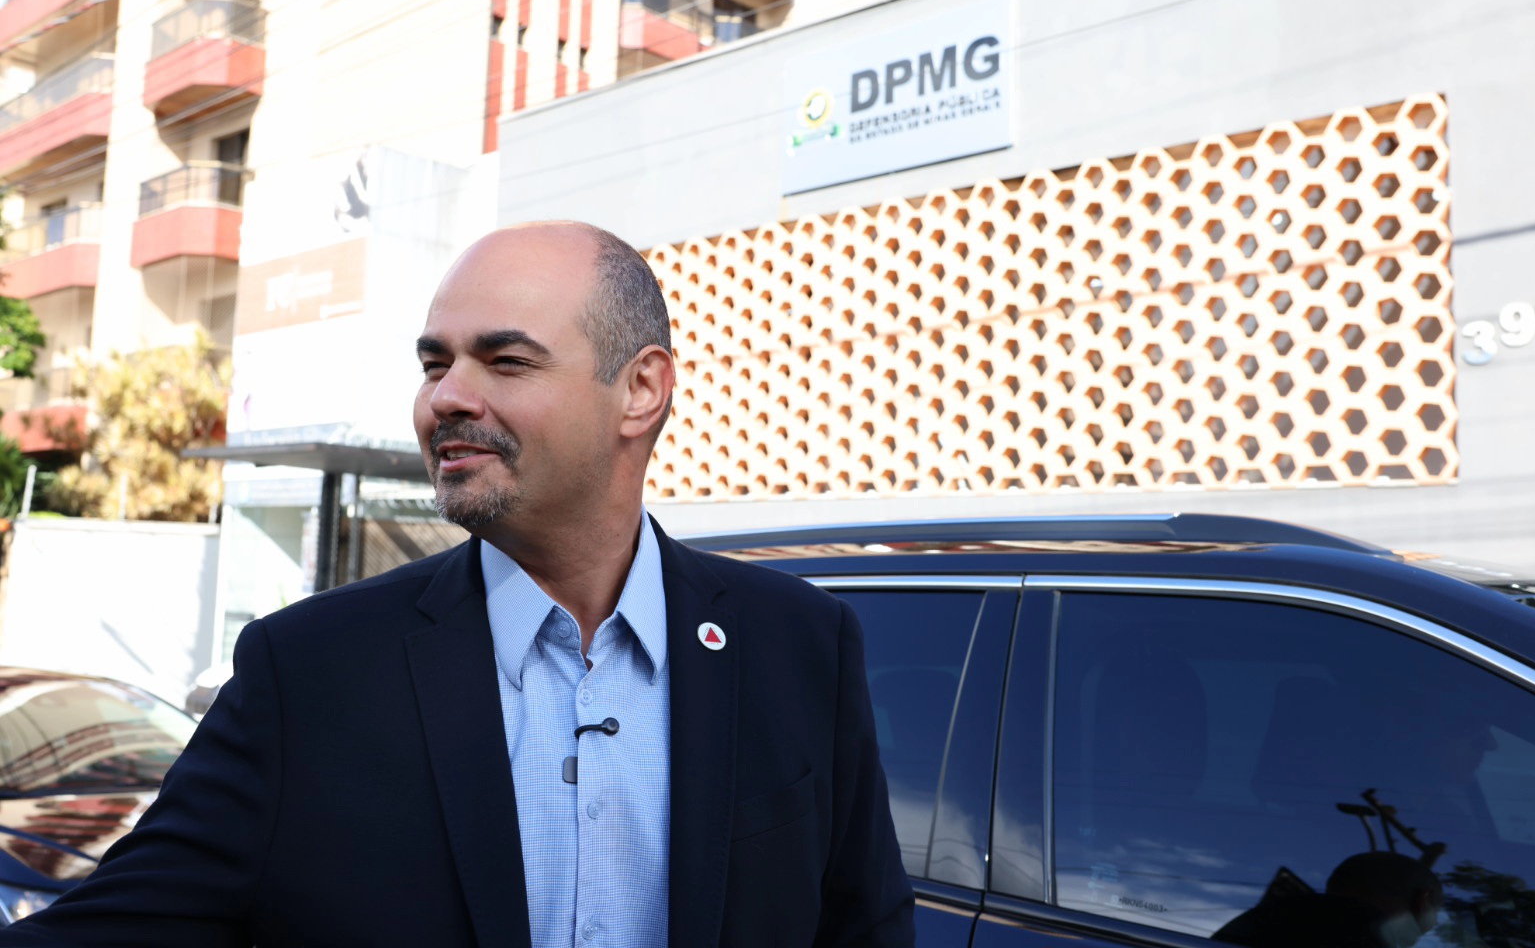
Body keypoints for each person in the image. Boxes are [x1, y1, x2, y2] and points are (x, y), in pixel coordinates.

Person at [0, 222, 915, 947]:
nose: (445, 398)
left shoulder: (801, 645)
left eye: (505, 361)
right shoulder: (308, 672)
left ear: (641, 390)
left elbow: (862, 928)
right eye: (436, 364)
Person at [1213, 851, 1443, 948]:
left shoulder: (1267, 919)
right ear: (1424, 901)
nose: (1433, 925)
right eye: (1437, 911)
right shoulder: (1362, 936)